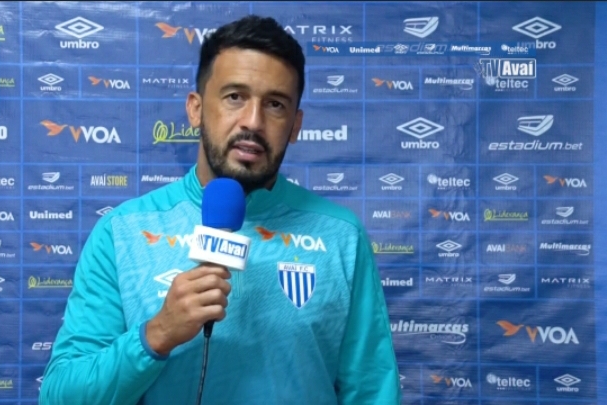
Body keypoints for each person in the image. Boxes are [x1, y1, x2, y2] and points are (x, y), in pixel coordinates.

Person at [39, 15, 401, 405]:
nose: (253, 122)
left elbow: (372, 392)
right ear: (195, 109)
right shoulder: (122, 231)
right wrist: (157, 334)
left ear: (296, 125)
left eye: (275, 104)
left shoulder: (341, 236)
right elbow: (61, 397)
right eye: (234, 97)